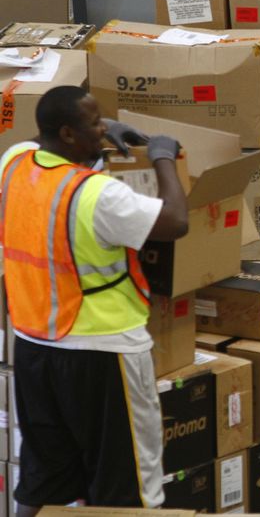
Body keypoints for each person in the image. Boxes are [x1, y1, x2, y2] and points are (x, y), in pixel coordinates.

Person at [0, 86, 189, 516]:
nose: (103, 129)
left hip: (34, 346)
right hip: (104, 351)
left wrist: (100, 135)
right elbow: (176, 221)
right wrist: (163, 157)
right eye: (94, 123)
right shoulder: (96, 195)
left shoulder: (13, 163)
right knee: (127, 485)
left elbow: (34, 142)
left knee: (43, 474)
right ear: (67, 133)